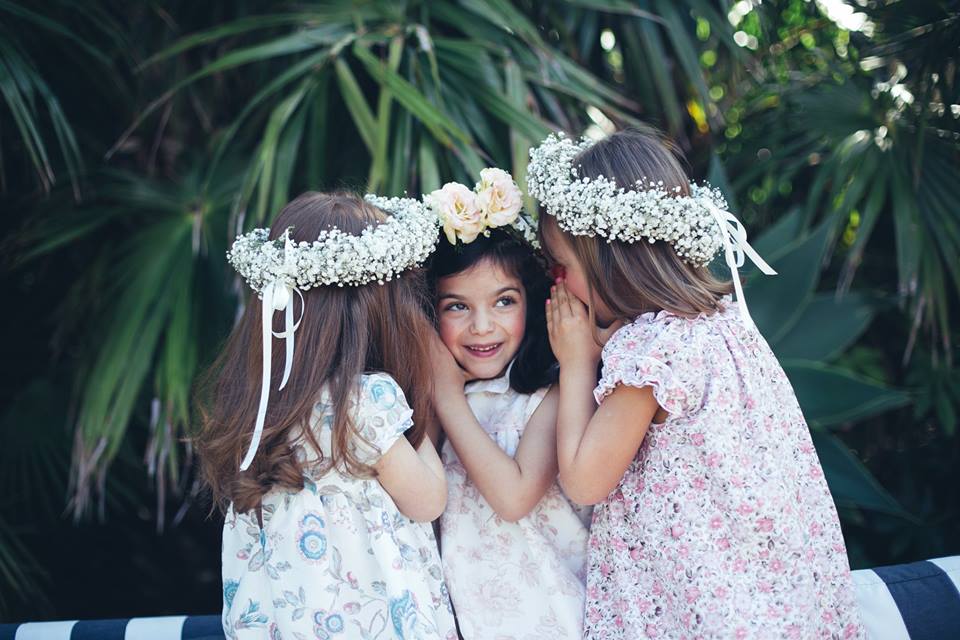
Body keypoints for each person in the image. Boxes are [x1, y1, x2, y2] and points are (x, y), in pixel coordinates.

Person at [530, 129, 864, 639]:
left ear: (607, 259)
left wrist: (575, 364)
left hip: (703, 608)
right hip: (772, 591)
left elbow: (584, 480)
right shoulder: (724, 322)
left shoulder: (649, 355)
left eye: (562, 266)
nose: (558, 283)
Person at [197, 192, 457, 640]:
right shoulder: (364, 401)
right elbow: (427, 499)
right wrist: (432, 401)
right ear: (377, 307)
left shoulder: (254, 407)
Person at [425, 171, 591, 639]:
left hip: (557, 616)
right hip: (473, 622)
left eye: (503, 301)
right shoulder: (432, 397)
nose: (482, 326)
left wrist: (446, 397)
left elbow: (515, 497)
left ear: (534, 302)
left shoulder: (549, 394)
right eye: (457, 306)